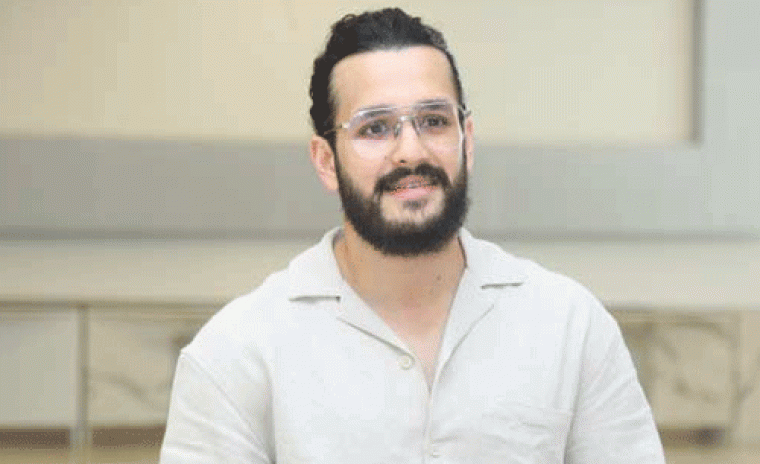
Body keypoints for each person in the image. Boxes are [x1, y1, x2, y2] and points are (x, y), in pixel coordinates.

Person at [160, 8, 665, 463]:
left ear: (467, 141)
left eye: (433, 121)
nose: (411, 151)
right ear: (326, 161)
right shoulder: (237, 353)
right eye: (375, 128)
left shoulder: (570, 326)